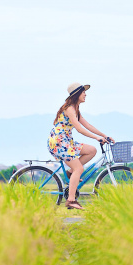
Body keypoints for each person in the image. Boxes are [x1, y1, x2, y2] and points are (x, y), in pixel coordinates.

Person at [48, 82, 114, 210]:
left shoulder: (75, 108)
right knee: (79, 169)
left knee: (92, 150)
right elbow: (79, 129)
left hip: (67, 142)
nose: (85, 94)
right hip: (59, 143)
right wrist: (96, 138)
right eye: (83, 92)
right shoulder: (69, 109)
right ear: (77, 94)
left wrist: (104, 136)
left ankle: (70, 172)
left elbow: (87, 125)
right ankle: (71, 200)